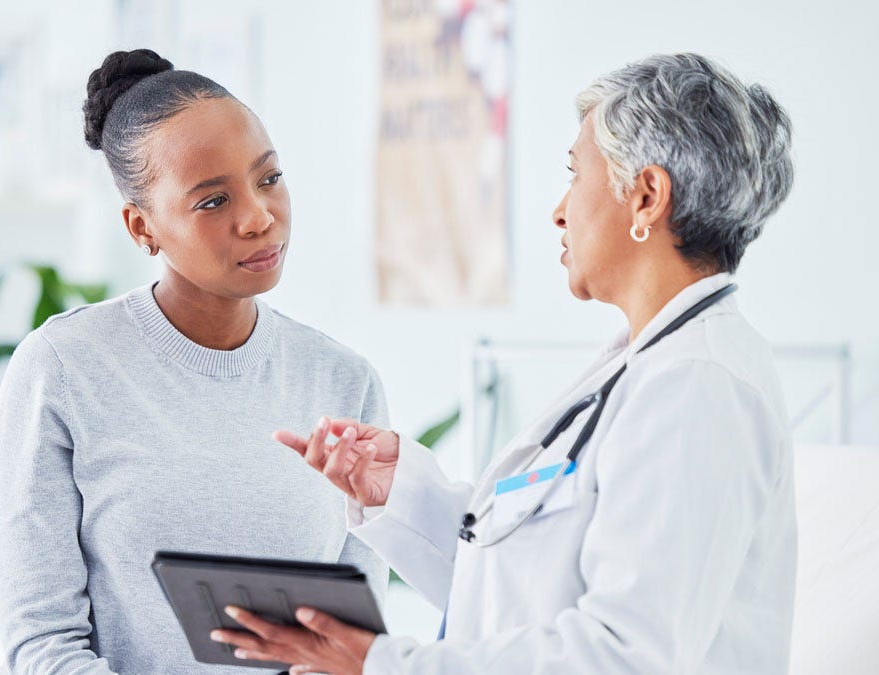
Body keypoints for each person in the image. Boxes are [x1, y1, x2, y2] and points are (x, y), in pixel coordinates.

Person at [210, 53, 798, 674]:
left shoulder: (698, 387)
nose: (560, 210)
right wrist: (406, 495)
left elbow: (627, 657)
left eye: (575, 174)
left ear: (647, 196)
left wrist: (384, 664)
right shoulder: (642, 366)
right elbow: (518, 594)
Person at [0, 49, 388, 674]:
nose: (259, 217)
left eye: (270, 177)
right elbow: (42, 644)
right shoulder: (63, 369)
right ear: (142, 227)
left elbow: (352, 647)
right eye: (211, 202)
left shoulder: (343, 380)